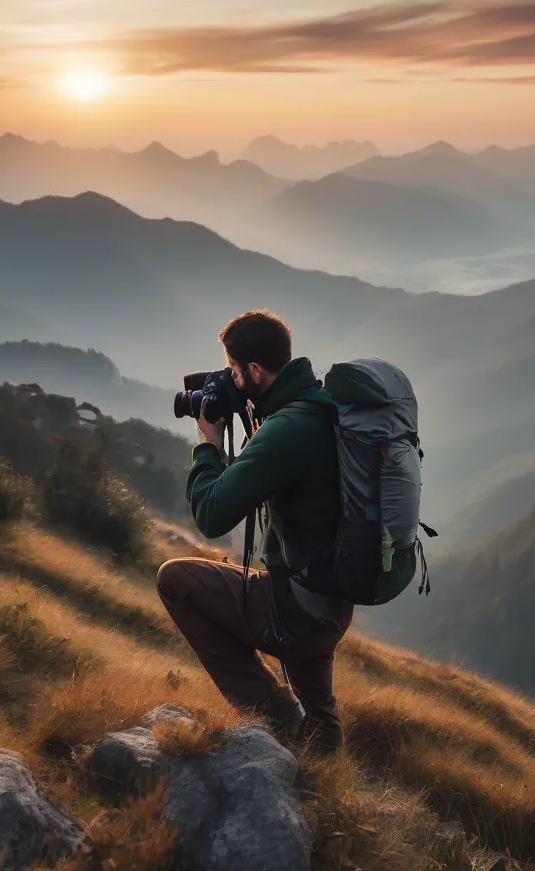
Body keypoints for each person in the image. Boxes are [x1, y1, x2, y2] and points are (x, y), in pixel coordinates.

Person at [156, 310, 353, 752]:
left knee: (175, 580)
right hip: (332, 600)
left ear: (256, 370)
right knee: (321, 725)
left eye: (233, 369)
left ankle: (273, 715)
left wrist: (208, 443)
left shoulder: (287, 430)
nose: (229, 376)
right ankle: (324, 788)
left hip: (297, 609)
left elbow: (210, 516)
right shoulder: (317, 406)